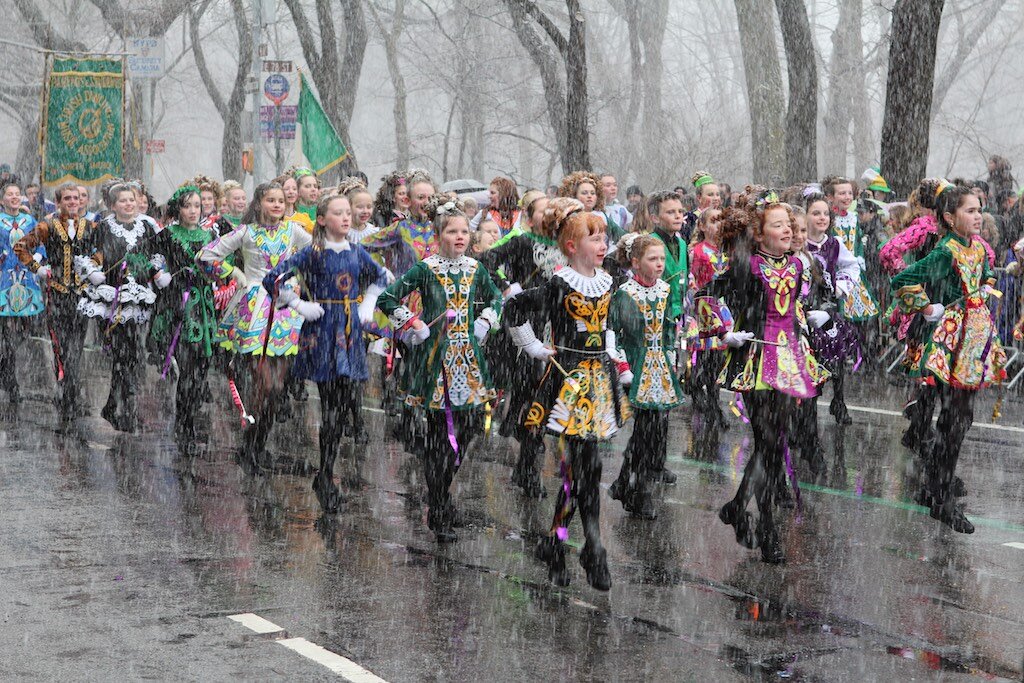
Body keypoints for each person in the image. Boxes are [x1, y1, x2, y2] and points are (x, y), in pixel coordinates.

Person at [701, 187, 829, 563]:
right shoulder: (747, 265)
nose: (789, 230)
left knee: (774, 442)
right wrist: (725, 332)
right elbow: (705, 296)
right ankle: (768, 530)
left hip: (791, 357)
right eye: (779, 225)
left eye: (789, 223)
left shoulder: (800, 264)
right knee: (769, 443)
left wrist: (820, 314)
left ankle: (740, 506)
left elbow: (802, 304)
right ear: (759, 234)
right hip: (757, 357)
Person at [505, 198, 624, 590]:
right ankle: (590, 547)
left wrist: (612, 352)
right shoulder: (558, 283)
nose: (603, 244)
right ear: (572, 246)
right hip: (569, 386)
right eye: (594, 238)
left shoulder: (609, 281)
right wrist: (535, 347)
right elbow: (515, 310)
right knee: (582, 471)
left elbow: (606, 324)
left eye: (604, 237)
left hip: (599, 383)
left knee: (587, 473)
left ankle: (561, 543)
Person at [377, 195, 501, 543]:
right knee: (439, 440)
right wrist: (415, 323)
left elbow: (497, 299)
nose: (460, 237)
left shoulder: (477, 269)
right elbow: (388, 298)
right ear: (439, 235)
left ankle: (440, 493)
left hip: (471, 362)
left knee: (466, 433)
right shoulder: (426, 268)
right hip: (436, 364)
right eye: (452, 231)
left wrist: (486, 321)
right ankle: (441, 503)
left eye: (464, 231)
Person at [891, 182, 1007, 533]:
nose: (977, 216)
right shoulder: (945, 251)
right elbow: (904, 278)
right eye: (970, 210)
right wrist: (927, 306)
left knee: (959, 420)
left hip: (975, 338)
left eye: (978, 209)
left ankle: (933, 489)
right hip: (953, 341)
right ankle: (940, 497)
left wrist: (986, 284)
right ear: (949, 217)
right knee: (954, 421)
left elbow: (984, 275)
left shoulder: (979, 249)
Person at [264, 193, 388, 513]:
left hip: (349, 331)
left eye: (348, 213)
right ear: (322, 219)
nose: (346, 218)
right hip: (322, 332)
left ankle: (326, 469)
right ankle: (326, 472)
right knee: (331, 406)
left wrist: (368, 305)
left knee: (344, 407)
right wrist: (298, 303)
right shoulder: (312, 253)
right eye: (338, 213)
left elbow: (382, 278)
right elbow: (273, 278)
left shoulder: (356, 250)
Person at [198, 182, 312, 470]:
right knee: (264, 385)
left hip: (285, 311)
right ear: (259, 203)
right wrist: (235, 273)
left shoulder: (293, 231)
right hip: (256, 311)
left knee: (277, 388)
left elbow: (318, 253)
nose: (277, 205)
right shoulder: (246, 232)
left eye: (281, 200)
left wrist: (297, 277)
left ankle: (257, 443)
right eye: (271, 200)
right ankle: (251, 443)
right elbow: (205, 256)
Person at [478, 190, 559, 497]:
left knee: (545, 399)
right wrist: (506, 286)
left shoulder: (567, 244)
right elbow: (488, 259)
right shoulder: (523, 241)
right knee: (530, 396)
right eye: (543, 210)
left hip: (555, 329)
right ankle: (527, 468)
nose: (550, 214)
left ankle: (525, 462)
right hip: (525, 327)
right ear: (529, 216)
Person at [76, 179, 161, 433]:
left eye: (131, 200)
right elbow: (83, 252)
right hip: (112, 298)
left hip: (138, 296)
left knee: (134, 354)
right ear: (113, 205)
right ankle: (123, 406)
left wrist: (155, 271)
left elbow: (157, 253)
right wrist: (92, 271)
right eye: (123, 201)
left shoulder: (146, 227)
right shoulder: (103, 227)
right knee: (124, 353)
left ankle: (116, 403)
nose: (128, 204)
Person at [607, 233, 683, 519]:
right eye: (652, 259)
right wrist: (623, 369)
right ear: (635, 263)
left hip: (660, 366)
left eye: (662, 258)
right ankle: (639, 492)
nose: (660, 264)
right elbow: (614, 335)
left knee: (654, 430)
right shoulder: (625, 294)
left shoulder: (665, 290)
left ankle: (625, 483)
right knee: (645, 432)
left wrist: (673, 357)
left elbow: (668, 330)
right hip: (636, 368)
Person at [13, 182, 94, 425]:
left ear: (82, 202)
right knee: (62, 347)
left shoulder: (90, 226)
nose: (72, 202)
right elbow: (21, 247)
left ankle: (70, 393)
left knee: (76, 348)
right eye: (67, 199)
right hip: (57, 295)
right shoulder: (46, 225)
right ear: (58, 203)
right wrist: (38, 268)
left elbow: (101, 250)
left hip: (81, 296)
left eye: (76, 199)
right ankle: (68, 394)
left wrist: (94, 264)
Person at [146, 184, 219, 453]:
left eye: (197, 206)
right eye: (188, 206)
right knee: (187, 371)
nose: (193, 211)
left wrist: (218, 278)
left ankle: (191, 417)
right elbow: (139, 258)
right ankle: (184, 425)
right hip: (179, 306)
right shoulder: (168, 235)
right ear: (178, 209)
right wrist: (157, 273)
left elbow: (222, 263)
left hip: (203, 308)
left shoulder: (210, 234)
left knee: (201, 370)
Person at [800, 191, 863, 439]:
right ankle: (806, 416)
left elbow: (851, 265)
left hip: (827, 309)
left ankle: (839, 401)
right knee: (808, 362)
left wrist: (841, 287)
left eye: (826, 213)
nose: (822, 217)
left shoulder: (834, 244)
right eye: (816, 213)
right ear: (804, 216)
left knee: (835, 356)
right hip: (804, 310)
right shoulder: (799, 244)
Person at [0, 181, 44, 404]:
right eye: (10, 194)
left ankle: (4, 366)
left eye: (17, 194)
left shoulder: (30, 221)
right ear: (2, 200)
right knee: (8, 329)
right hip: (4, 279)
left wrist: (37, 256)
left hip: (27, 279)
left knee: (26, 327)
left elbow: (40, 243)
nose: (15, 197)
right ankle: (10, 379)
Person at [686, 206, 729, 432]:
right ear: (702, 226)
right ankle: (695, 388)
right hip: (704, 313)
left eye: (721, 220)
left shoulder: (727, 251)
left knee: (717, 364)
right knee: (704, 361)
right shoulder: (698, 252)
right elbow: (691, 282)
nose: (718, 225)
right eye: (713, 221)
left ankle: (714, 403)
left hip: (723, 311)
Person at [558, 171, 624, 242]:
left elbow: (621, 235)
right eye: (584, 193)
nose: (589, 196)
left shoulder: (601, 216)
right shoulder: (569, 219)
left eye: (593, 193)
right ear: (574, 196)